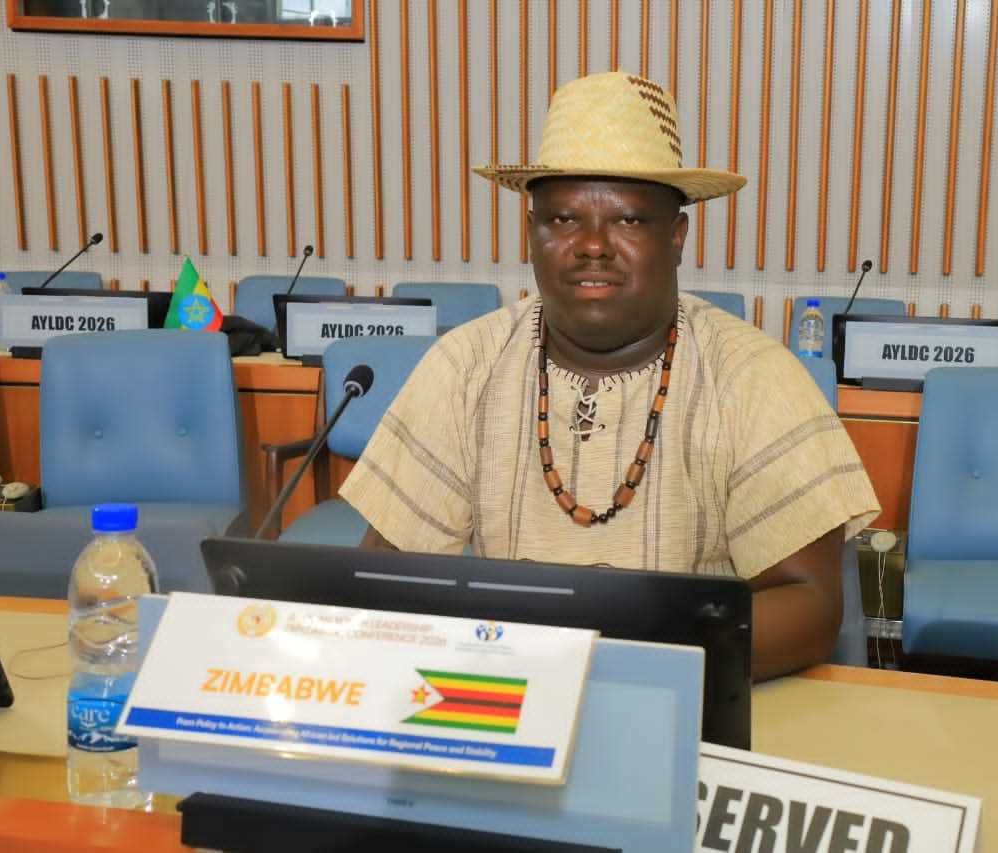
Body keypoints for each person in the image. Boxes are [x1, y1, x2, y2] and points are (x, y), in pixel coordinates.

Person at [339, 71, 880, 681]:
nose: (592, 245)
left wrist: (622, 671)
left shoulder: (754, 378)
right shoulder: (466, 365)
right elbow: (382, 578)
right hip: (509, 691)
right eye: (563, 219)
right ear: (532, 233)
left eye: (627, 221)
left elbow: (810, 605)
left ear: (676, 237)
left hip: (691, 696)